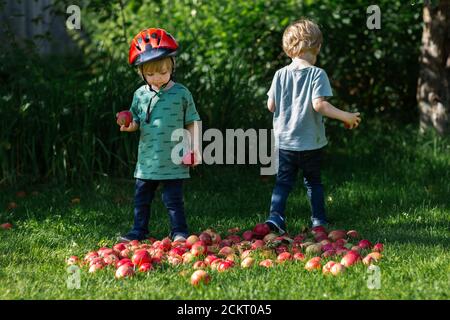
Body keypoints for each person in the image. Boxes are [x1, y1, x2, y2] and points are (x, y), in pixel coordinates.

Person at [265, 19, 361, 234]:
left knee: (283, 183)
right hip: (310, 143)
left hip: (285, 143)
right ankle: (318, 221)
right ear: (317, 46)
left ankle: (275, 218)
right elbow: (320, 105)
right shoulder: (318, 74)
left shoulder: (279, 74)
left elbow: (271, 106)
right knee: (313, 183)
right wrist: (345, 116)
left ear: (288, 48)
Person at [118, 28, 201, 242]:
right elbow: (137, 120)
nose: (157, 78)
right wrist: (130, 126)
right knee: (141, 199)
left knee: (173, 200)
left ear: (172, 66)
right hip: (147, 161)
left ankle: (179, 232)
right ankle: (138, 231)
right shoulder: (140, 94)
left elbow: (193, 121)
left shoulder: (181, 93)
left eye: (163, 72)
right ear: (142, 73)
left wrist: (194, 148)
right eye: (151, 74)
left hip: (174, 159)